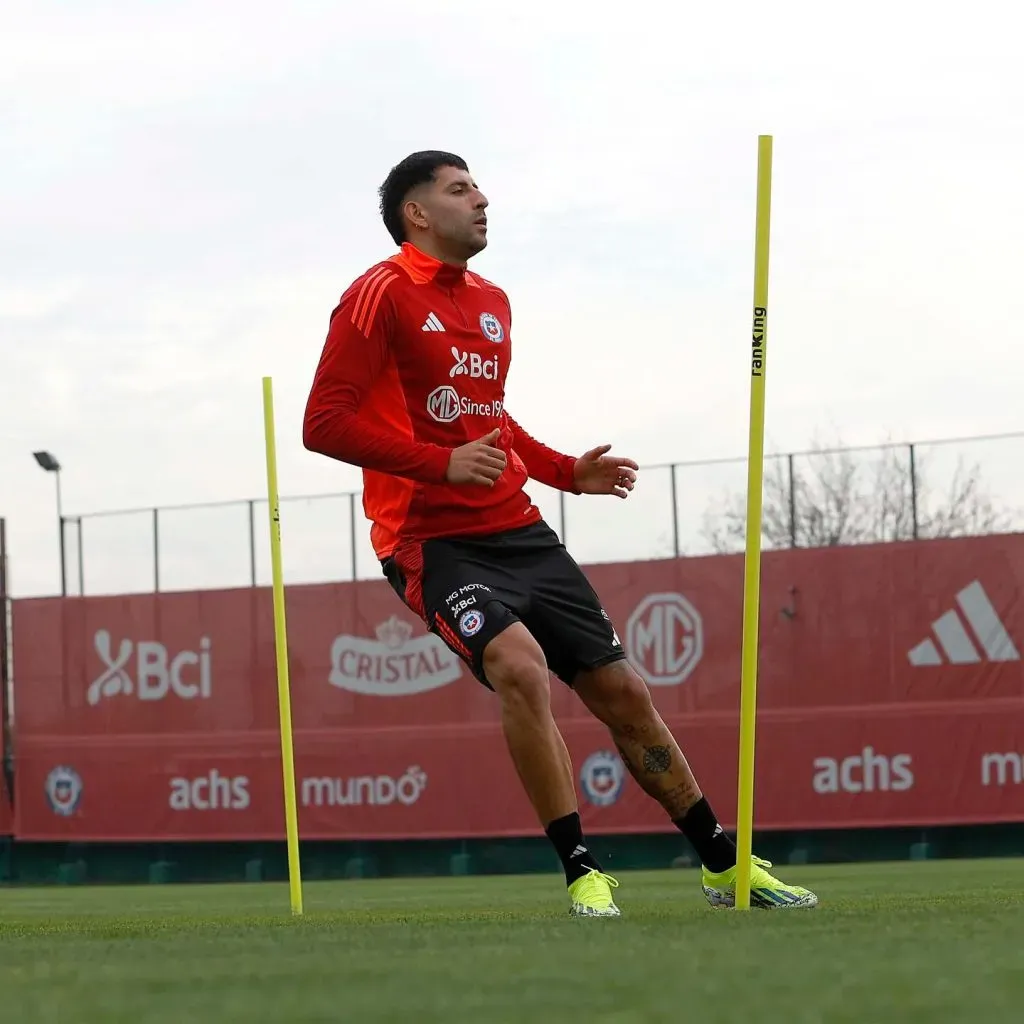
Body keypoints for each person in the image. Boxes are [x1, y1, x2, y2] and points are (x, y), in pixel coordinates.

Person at [302, 150, 817, 916]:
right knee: (520, 665)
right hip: (428, 541)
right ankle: (581, 869)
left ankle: (723, 865)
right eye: (459, 188)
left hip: (520, 531)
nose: (481, 198)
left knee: (624, 692)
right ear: (416, 213)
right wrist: (440, 466)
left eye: (477, 185)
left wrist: (563, 470)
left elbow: (492, 421)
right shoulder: (375, 296)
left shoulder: (493, 301)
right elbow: (324, 423)